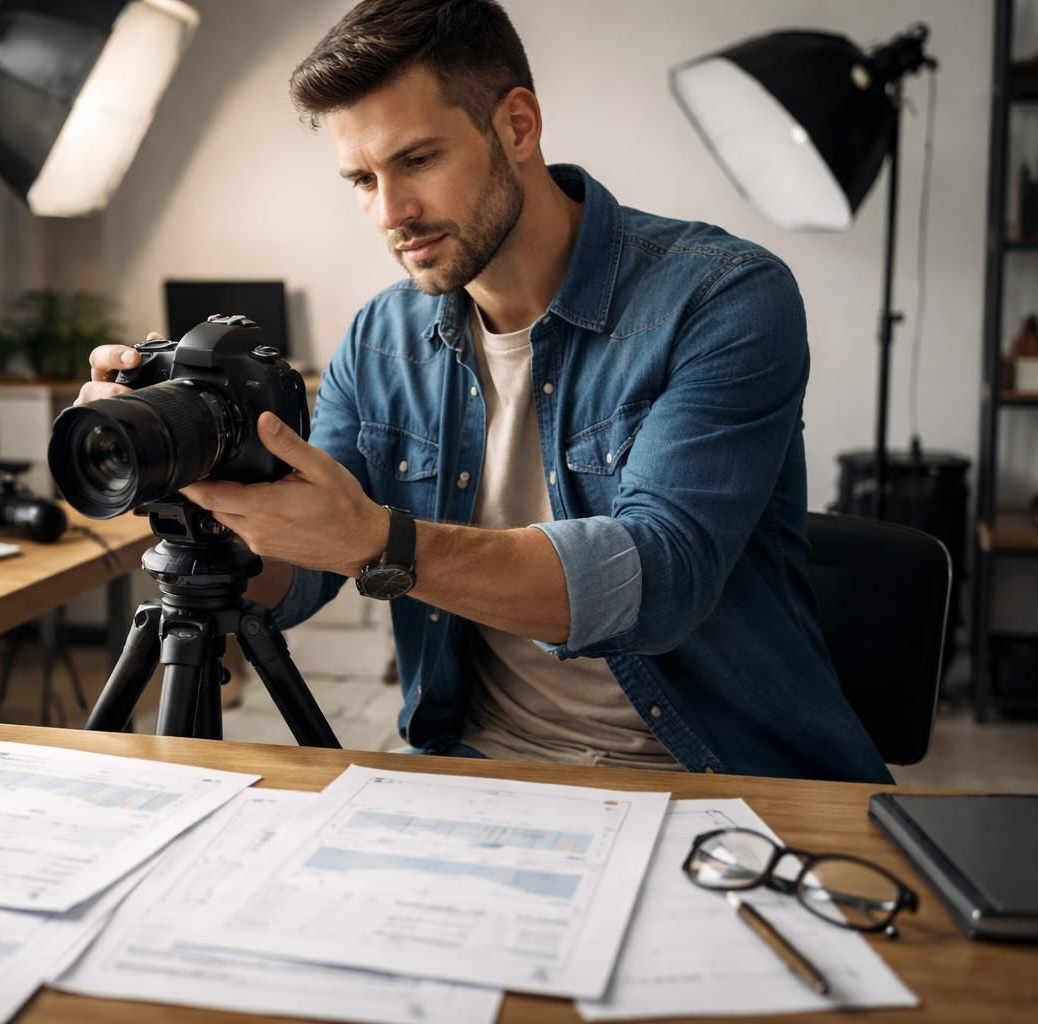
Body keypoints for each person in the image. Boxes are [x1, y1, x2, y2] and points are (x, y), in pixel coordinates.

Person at [78, 0, 891, 783]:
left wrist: (380, 541)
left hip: (720, 774)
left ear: (517, 126)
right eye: (361, 179)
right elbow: (299, 578)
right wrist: (200, 492)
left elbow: (662, 574)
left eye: (417, 160)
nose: (390, 212)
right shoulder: (380, 339)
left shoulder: (723, 298)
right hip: (472, 769)